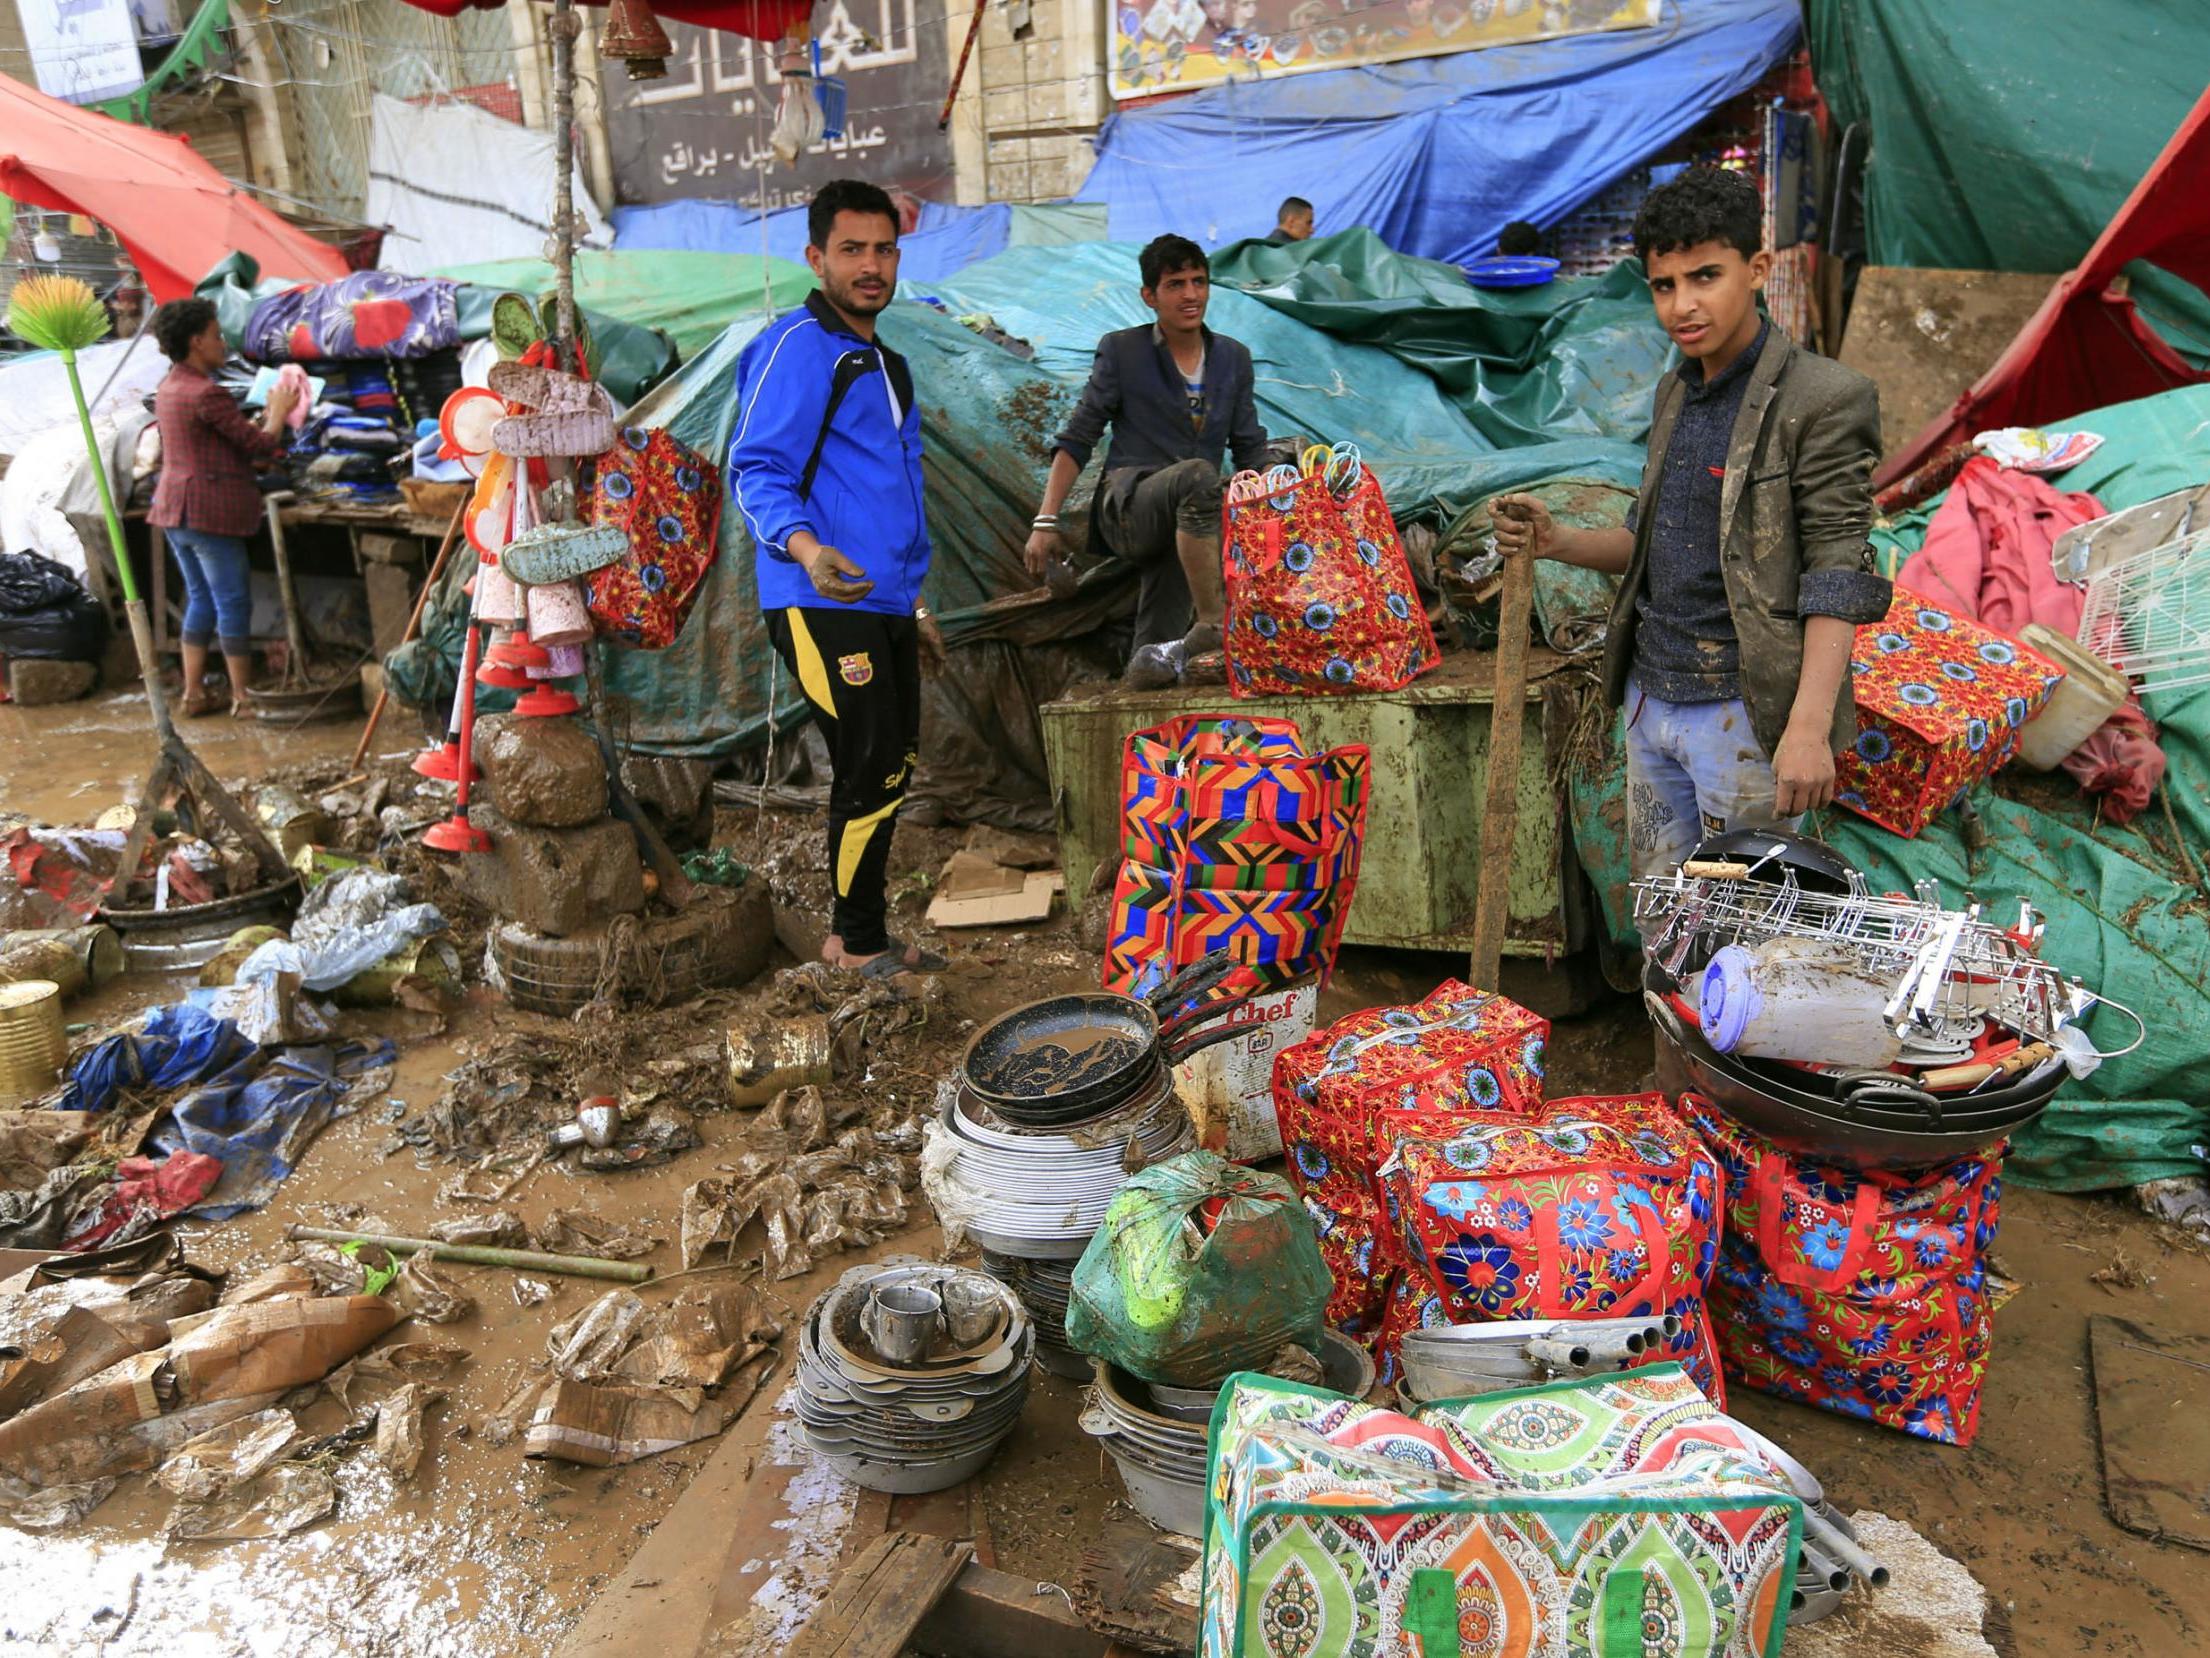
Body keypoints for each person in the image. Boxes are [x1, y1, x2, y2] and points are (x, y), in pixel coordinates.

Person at [1490, 165, 1889, 883]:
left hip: (1743, 713)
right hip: (1651, 702)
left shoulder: (1823, 399)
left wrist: (1805, 728)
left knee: (1750, 937)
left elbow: (1838, 572)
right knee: (1664, 918)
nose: (1683, 306)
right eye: (1664, 286)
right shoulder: (1675, 389)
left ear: (1757, 269)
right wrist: (1559, 543)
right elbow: (1653, 542)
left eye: (1706, 277)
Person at [728, 178, 947, 982]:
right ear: (816, 257)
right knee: (871, 760)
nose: (871, 266)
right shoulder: (798, 347)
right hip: (816, 596)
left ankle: (863, 937)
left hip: (882, 599)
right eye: (851, 250)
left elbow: (901, 497)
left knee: (889, 765)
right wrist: (807, 548)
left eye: (884, 250)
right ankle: (857, 946)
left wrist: (917, 599)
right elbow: (755, 469)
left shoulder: (887, 364)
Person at [1026, 233, 1268, 688]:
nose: (1191, 294)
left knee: (1157, 657)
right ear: (1149, 296)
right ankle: (1217, 626)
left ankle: (1148, 710)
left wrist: (1285, 501)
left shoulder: (1232, 358)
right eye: (1176, 284)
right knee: (1199, 478)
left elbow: (1250, 446)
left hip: (1191, 517)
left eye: (1199, 281)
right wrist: (1045, 521)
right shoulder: (1123, 350)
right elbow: (1080, 435)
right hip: (1131, 507)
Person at [147, 297, 296, 716]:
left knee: (200, 598)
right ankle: (242, 697)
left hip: (175, 508)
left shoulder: (170, 386)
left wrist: (261, 419)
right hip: (208, 511)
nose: (222, 343)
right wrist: (278, 413)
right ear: (196, 342)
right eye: (215, 335)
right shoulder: (206, 392)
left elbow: (215, 442)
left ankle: (193, 694)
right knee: (231, 601)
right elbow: (261, 446)